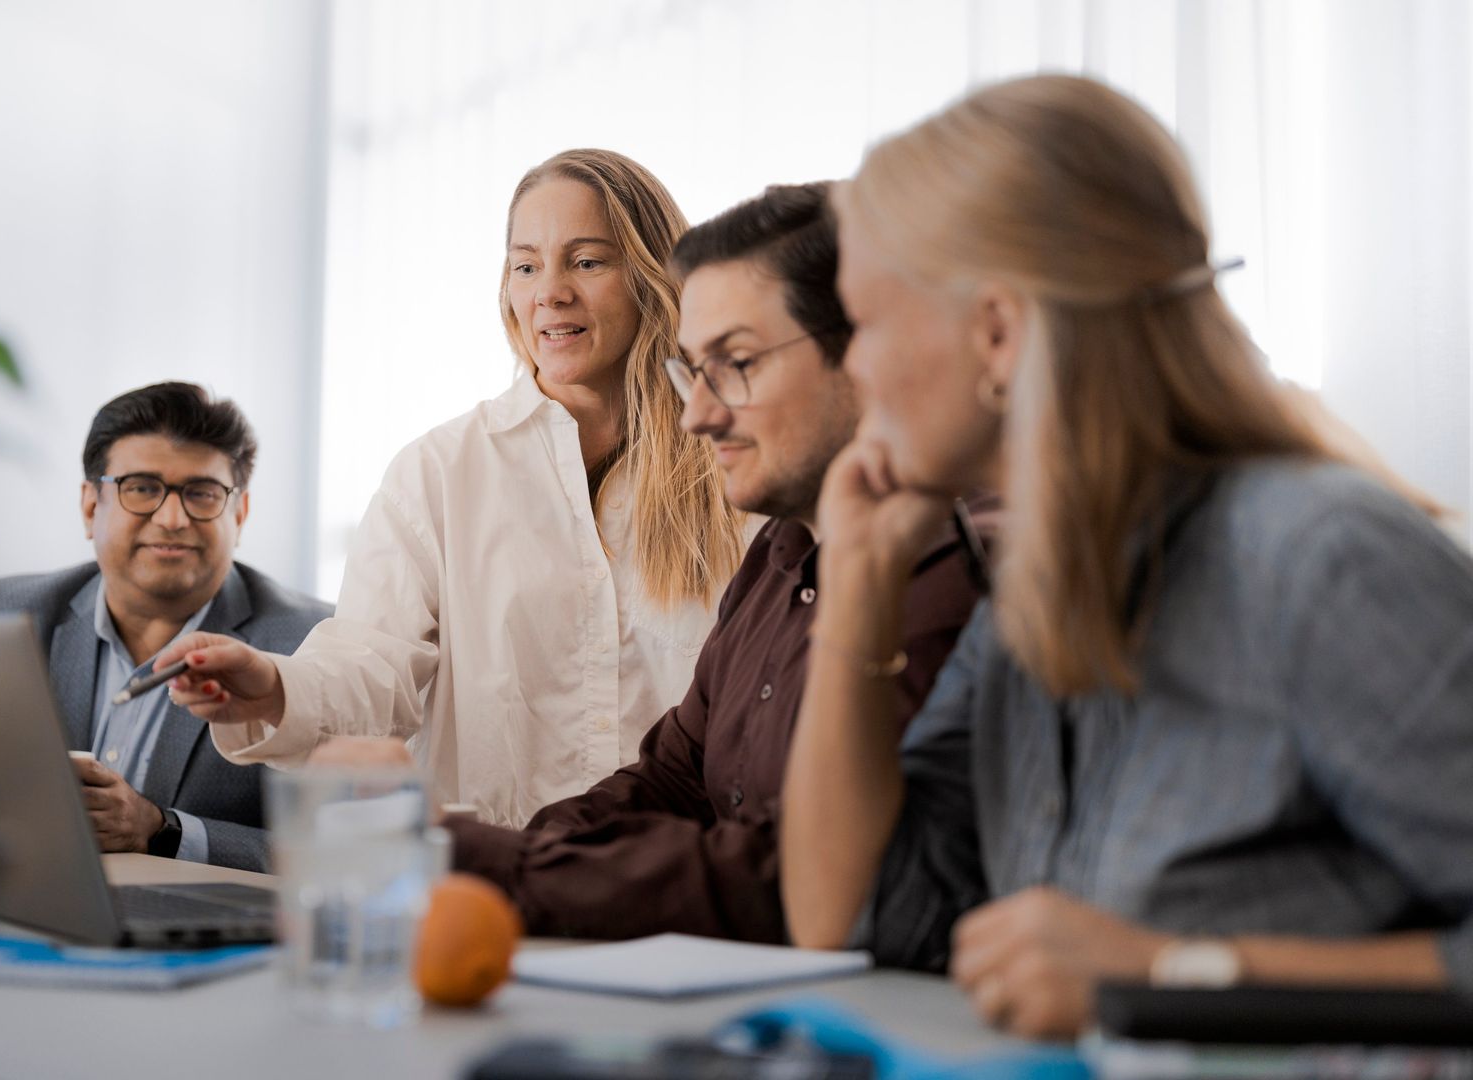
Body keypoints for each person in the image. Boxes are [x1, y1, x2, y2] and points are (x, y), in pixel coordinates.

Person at [782, 74, 1473, 1039]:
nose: (852, 366)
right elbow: (850, 916)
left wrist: (1171, 973)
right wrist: (858, 585)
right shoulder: (1034, 591)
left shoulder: (1322, 560)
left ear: (997, 332)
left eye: (863, 323)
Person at [421, 184, 983, 940]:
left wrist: (488, 861)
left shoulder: (954, 574)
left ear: (868, 355)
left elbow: (788, 877)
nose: (698, 414)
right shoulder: (779, 553)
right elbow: (672, 778)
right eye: (694, 371)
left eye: (736, 363)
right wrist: (514, 853)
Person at [152, 150, 745, 827]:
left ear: (652, 275)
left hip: (684, 874)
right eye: (526, 266)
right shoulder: (438, 472)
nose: (549, 292)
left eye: (586, 262)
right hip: (497, 877)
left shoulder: (735, 468)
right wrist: (272, 687)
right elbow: (371, 666)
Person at [0, 382, 330, 871]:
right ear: (91, 507)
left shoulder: (315, 644)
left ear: (239, 514)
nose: (172, 518)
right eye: (142, 488)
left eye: (202, 493)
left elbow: (344, 842)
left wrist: (162, 830)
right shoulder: (3, 611)